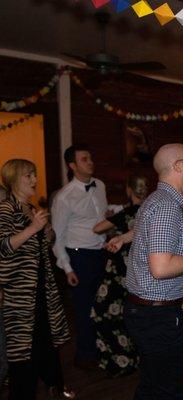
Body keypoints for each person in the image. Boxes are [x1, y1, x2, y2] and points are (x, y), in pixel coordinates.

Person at [123, 143, 183, 400]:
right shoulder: (167, 206)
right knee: (172, 391)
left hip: (150, 310)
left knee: (152, 387)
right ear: (179, 166)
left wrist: (180, 295)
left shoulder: (157, 200)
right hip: (156, 317)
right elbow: (160, 267)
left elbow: (146, 259)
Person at [0, 159, 73, 399]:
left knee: (45, 341)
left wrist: (47, 233)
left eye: (34, 175)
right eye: (28, 176)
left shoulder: (30, 208)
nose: (34, 180)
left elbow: (37, 248)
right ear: (13, 179)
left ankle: (55, 385)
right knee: (23, 350)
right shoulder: (5, 209)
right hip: (20, 293)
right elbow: (4, 246)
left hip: (41, 289)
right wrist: (33, 228)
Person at [51, 144, 108, 368]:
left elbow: (100, 217)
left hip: (101, 253)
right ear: (72, 165)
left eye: (91, 157)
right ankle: (85, 355)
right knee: (84, 310)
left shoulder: (100, 185)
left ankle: (104, 350)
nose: (90, 162)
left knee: (102, 306)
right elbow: (57, 236)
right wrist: (67, 268)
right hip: (79, 257)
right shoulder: (64, 197)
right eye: (85, 159)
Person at [91, 175, 149, 377]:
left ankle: (119, 361)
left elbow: (96, 228)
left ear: (129, 190)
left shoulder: (125, 213)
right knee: (134, 315)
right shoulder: (149, 212)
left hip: (119, 272)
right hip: (141, 270)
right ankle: (137, 358)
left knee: (102, 313)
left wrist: (113, 218)